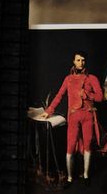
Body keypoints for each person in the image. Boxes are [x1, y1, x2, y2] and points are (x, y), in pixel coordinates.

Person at [43, 52, 102, 183]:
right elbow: (59, 95)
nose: (81, 62)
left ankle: (86, 175)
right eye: (78, 60)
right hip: (74, 116)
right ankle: (69, 178)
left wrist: (87, 94)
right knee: (70, 146)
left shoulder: (92, 78)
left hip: (88, 115)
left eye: (83, 60)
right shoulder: (68, 79)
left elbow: (100, 97)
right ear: (74, 62)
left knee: (87, 145)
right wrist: (49, 110)